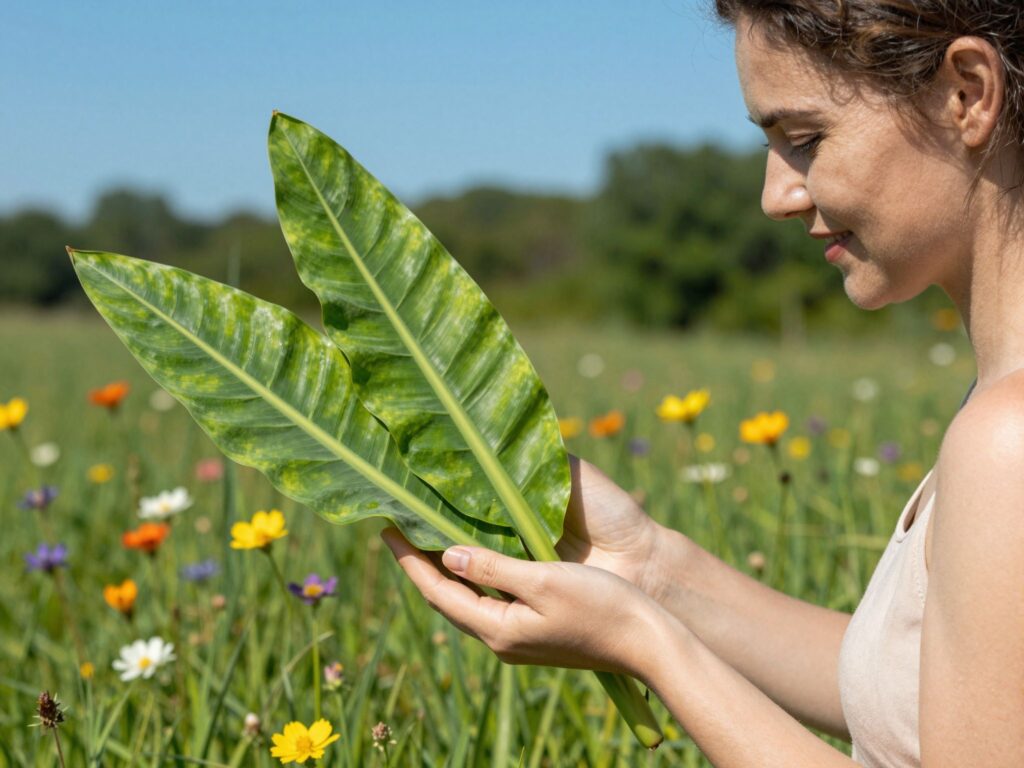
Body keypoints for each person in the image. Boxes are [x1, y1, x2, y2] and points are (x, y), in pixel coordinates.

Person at [382, 2, 1024, 765]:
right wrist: (650, 570)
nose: (776, 195)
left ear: (968, 94)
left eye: (806, 140)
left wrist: (647, 646)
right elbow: (911, 696)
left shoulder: (1007, 443)